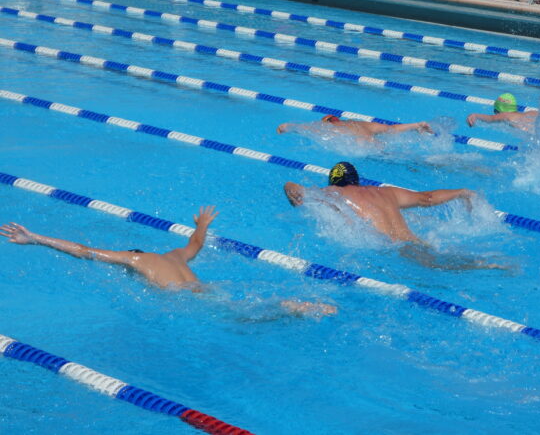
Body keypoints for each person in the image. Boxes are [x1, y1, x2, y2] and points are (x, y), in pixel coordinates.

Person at [0, 207, 336, 316]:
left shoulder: (134, 260)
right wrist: (203, 223)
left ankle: (293, 307)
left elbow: (83, 250)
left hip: (189, 298)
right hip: (203, 288)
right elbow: (195, 242)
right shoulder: (173, 255)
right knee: (239, 307)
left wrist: (36, 239)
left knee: (244, 319)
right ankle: (291, 305)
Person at [284, 162, 504, 270]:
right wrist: (461, 192)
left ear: (333, 182)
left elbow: (297, 189)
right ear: (357, 180)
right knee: (451, 263)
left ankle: (489, 266)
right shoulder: (387, 192)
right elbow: (426, 198)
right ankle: (490, 263)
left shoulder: (334, 193)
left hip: (396, 251)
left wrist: (288, 187)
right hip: (416, 243)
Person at [277, 114, 433, 141]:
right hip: (374, 141)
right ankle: (419, 125)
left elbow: (305, 128)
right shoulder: (359, 123)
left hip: (366, 148)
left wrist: (287, 127)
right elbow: (392, 129)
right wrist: (415, 125)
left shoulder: (331, 129)